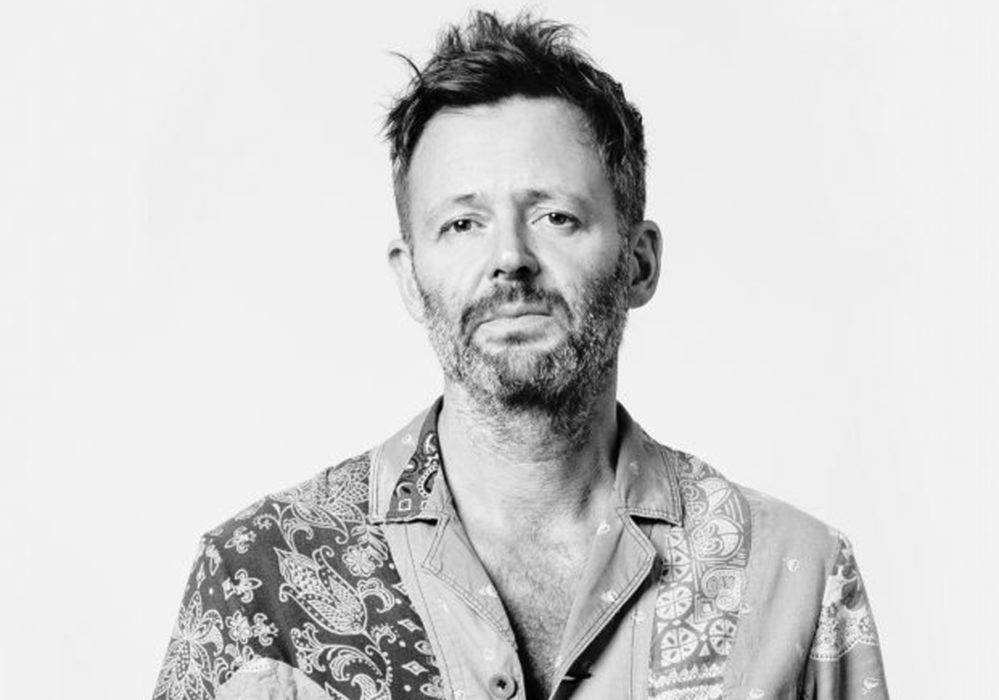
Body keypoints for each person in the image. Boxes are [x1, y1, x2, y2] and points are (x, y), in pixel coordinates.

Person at [153, 11, 888, 700]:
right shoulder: (262, 578)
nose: (510, 257)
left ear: (639, 263)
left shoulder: (794, 578)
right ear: (409, 279)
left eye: (555, 216)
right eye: (462, 223)